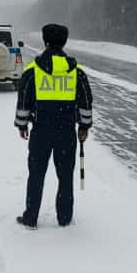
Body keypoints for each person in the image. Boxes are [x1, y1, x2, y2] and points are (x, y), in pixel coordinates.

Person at [13, 23, 93, 229]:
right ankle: (64, 218)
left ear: (45, 41)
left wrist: (22, 125)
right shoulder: (76, 72)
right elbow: (86, 102)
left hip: (41, 132)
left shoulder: (33, 71)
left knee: (36, 175)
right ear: (64, 42)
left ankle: (31, 217)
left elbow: (24, 99)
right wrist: (84, 127)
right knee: (65, 177)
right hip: (66, 133)